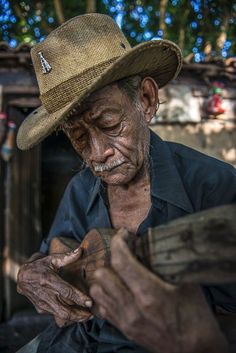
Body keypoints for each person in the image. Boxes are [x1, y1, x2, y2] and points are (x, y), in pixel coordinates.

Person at [16, 13, 236, 353]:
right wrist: (30, 274)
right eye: (79, 138)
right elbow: (56, 255)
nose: (99, 153)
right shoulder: (80, 189)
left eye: (109, 123)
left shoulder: (217, 187)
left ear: (146, 101)